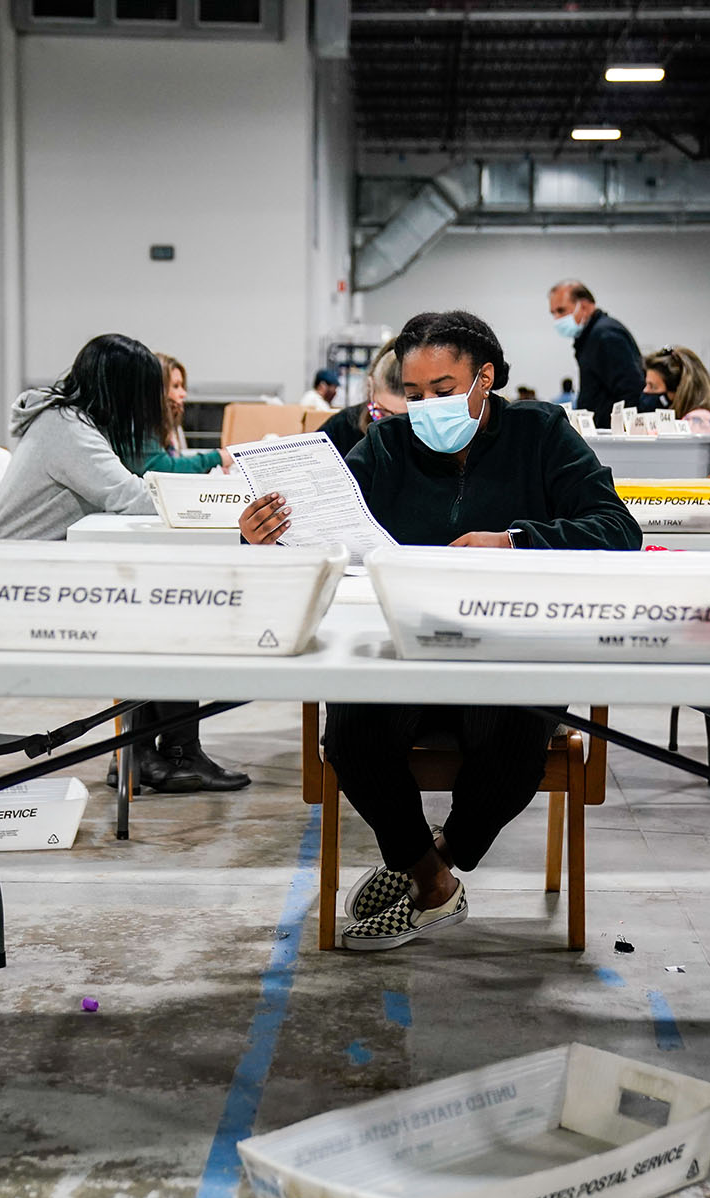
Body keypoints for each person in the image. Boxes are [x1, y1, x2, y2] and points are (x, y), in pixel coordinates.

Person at [240, 311, 641, 952]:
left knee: (513, 732)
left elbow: (618, 530)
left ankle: (429, 865)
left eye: (445, 390)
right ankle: (430, 883)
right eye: (415, 393)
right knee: (352, 732)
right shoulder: (387, 446)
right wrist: (264, 535)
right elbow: (323, 535)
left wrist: (514, 542)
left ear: (486, 378)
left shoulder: (540, 434)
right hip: (402, 649)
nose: (426, 407)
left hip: (507, 650)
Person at [0, 334, 250, 793]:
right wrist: (220, 503)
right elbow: (130, 495)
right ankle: (162, 754)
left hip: (31, 571)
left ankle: (147, 753)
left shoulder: (69, 420)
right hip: (20, 588)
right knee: (170, 610)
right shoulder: (67, 429)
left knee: (164, 603)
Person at [547, 279, 644, 429]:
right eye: (553, 313)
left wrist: (621, 432)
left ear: (584, 306)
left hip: (610, 435)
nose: (557, 319)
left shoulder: (605, 335)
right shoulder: (589, 338)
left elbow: (631, 390)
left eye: (561, 311)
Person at [136, 352, 228, 475]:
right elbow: (165, 468)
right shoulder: (140, 427)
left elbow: (176, 460)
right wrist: (216, 458)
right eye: (175, 386)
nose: (183, 393)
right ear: (157, 390)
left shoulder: (168, 426)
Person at [319, 339, 407, 458]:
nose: (392, 425)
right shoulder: (344, 426)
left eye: (404, 418)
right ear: (370, 387)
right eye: (382, 412)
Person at [643, 345, 710, 432]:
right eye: (646, 385)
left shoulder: (697, 421)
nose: (645, 390)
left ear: (678, 390)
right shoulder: (702, 417)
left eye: (653, 387)